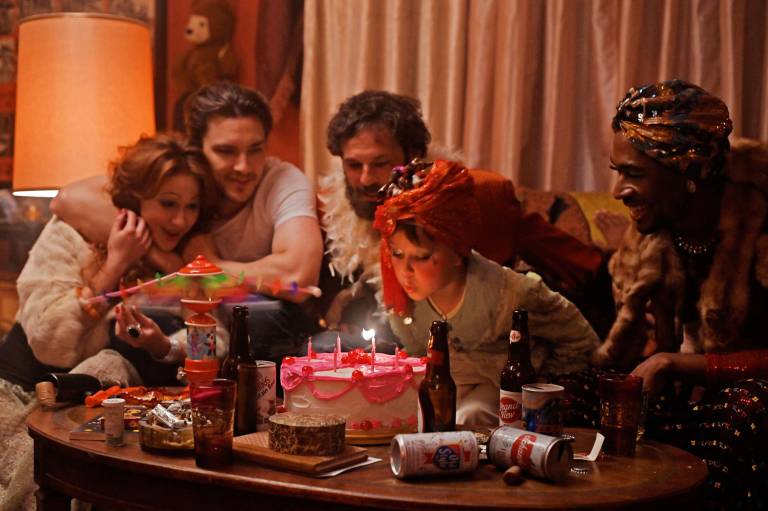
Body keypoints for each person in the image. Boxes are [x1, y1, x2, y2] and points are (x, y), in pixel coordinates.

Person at [0, 133, 217, 510]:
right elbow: (49, 343)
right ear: (138, 198)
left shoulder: (189, 254)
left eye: (192, 206)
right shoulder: (71, 233)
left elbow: (215, 341)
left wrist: (164, 346)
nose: (180, 220)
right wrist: (113, 268)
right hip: (20, 398)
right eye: (168, 203)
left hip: (112, 415)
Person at [51, 82, 324, 362]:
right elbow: (68, 200)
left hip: (259, 335)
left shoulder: (282, 180)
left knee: (255, 315)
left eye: (255, 150)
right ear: (197, 148)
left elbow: (299, 276)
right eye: (226, 151)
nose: (243, 166)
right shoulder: (176, 180)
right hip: (175, 335)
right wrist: (158, 254)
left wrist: (205, 266)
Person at [317, 90, 606, 350]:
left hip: (472, 345)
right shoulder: (340, 206)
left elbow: (577, 264)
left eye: (380, 163)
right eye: (353, 165)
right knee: (324, 345)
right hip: (396, 340)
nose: (365, 179)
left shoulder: (478, 198)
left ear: (414, 156)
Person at [595, 79, 768, 509]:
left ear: (688, 173)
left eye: (634, 174)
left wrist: (676, 363)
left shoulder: (758, 228)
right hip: (687, 400)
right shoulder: (652, 235)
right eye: (618, 172)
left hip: (745, 402)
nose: (618, 192)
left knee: (746, 412)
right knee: (575, 395)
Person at [372, 159, 599, 426]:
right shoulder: (404, 305)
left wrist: (538, 381)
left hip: (500, 394)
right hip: (445, 389)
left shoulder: (511, 295)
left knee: (471, 415)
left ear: (458, 251)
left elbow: (579, 339)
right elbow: (419, 354)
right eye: (397, 254)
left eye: (421, 256)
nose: (405, 270)